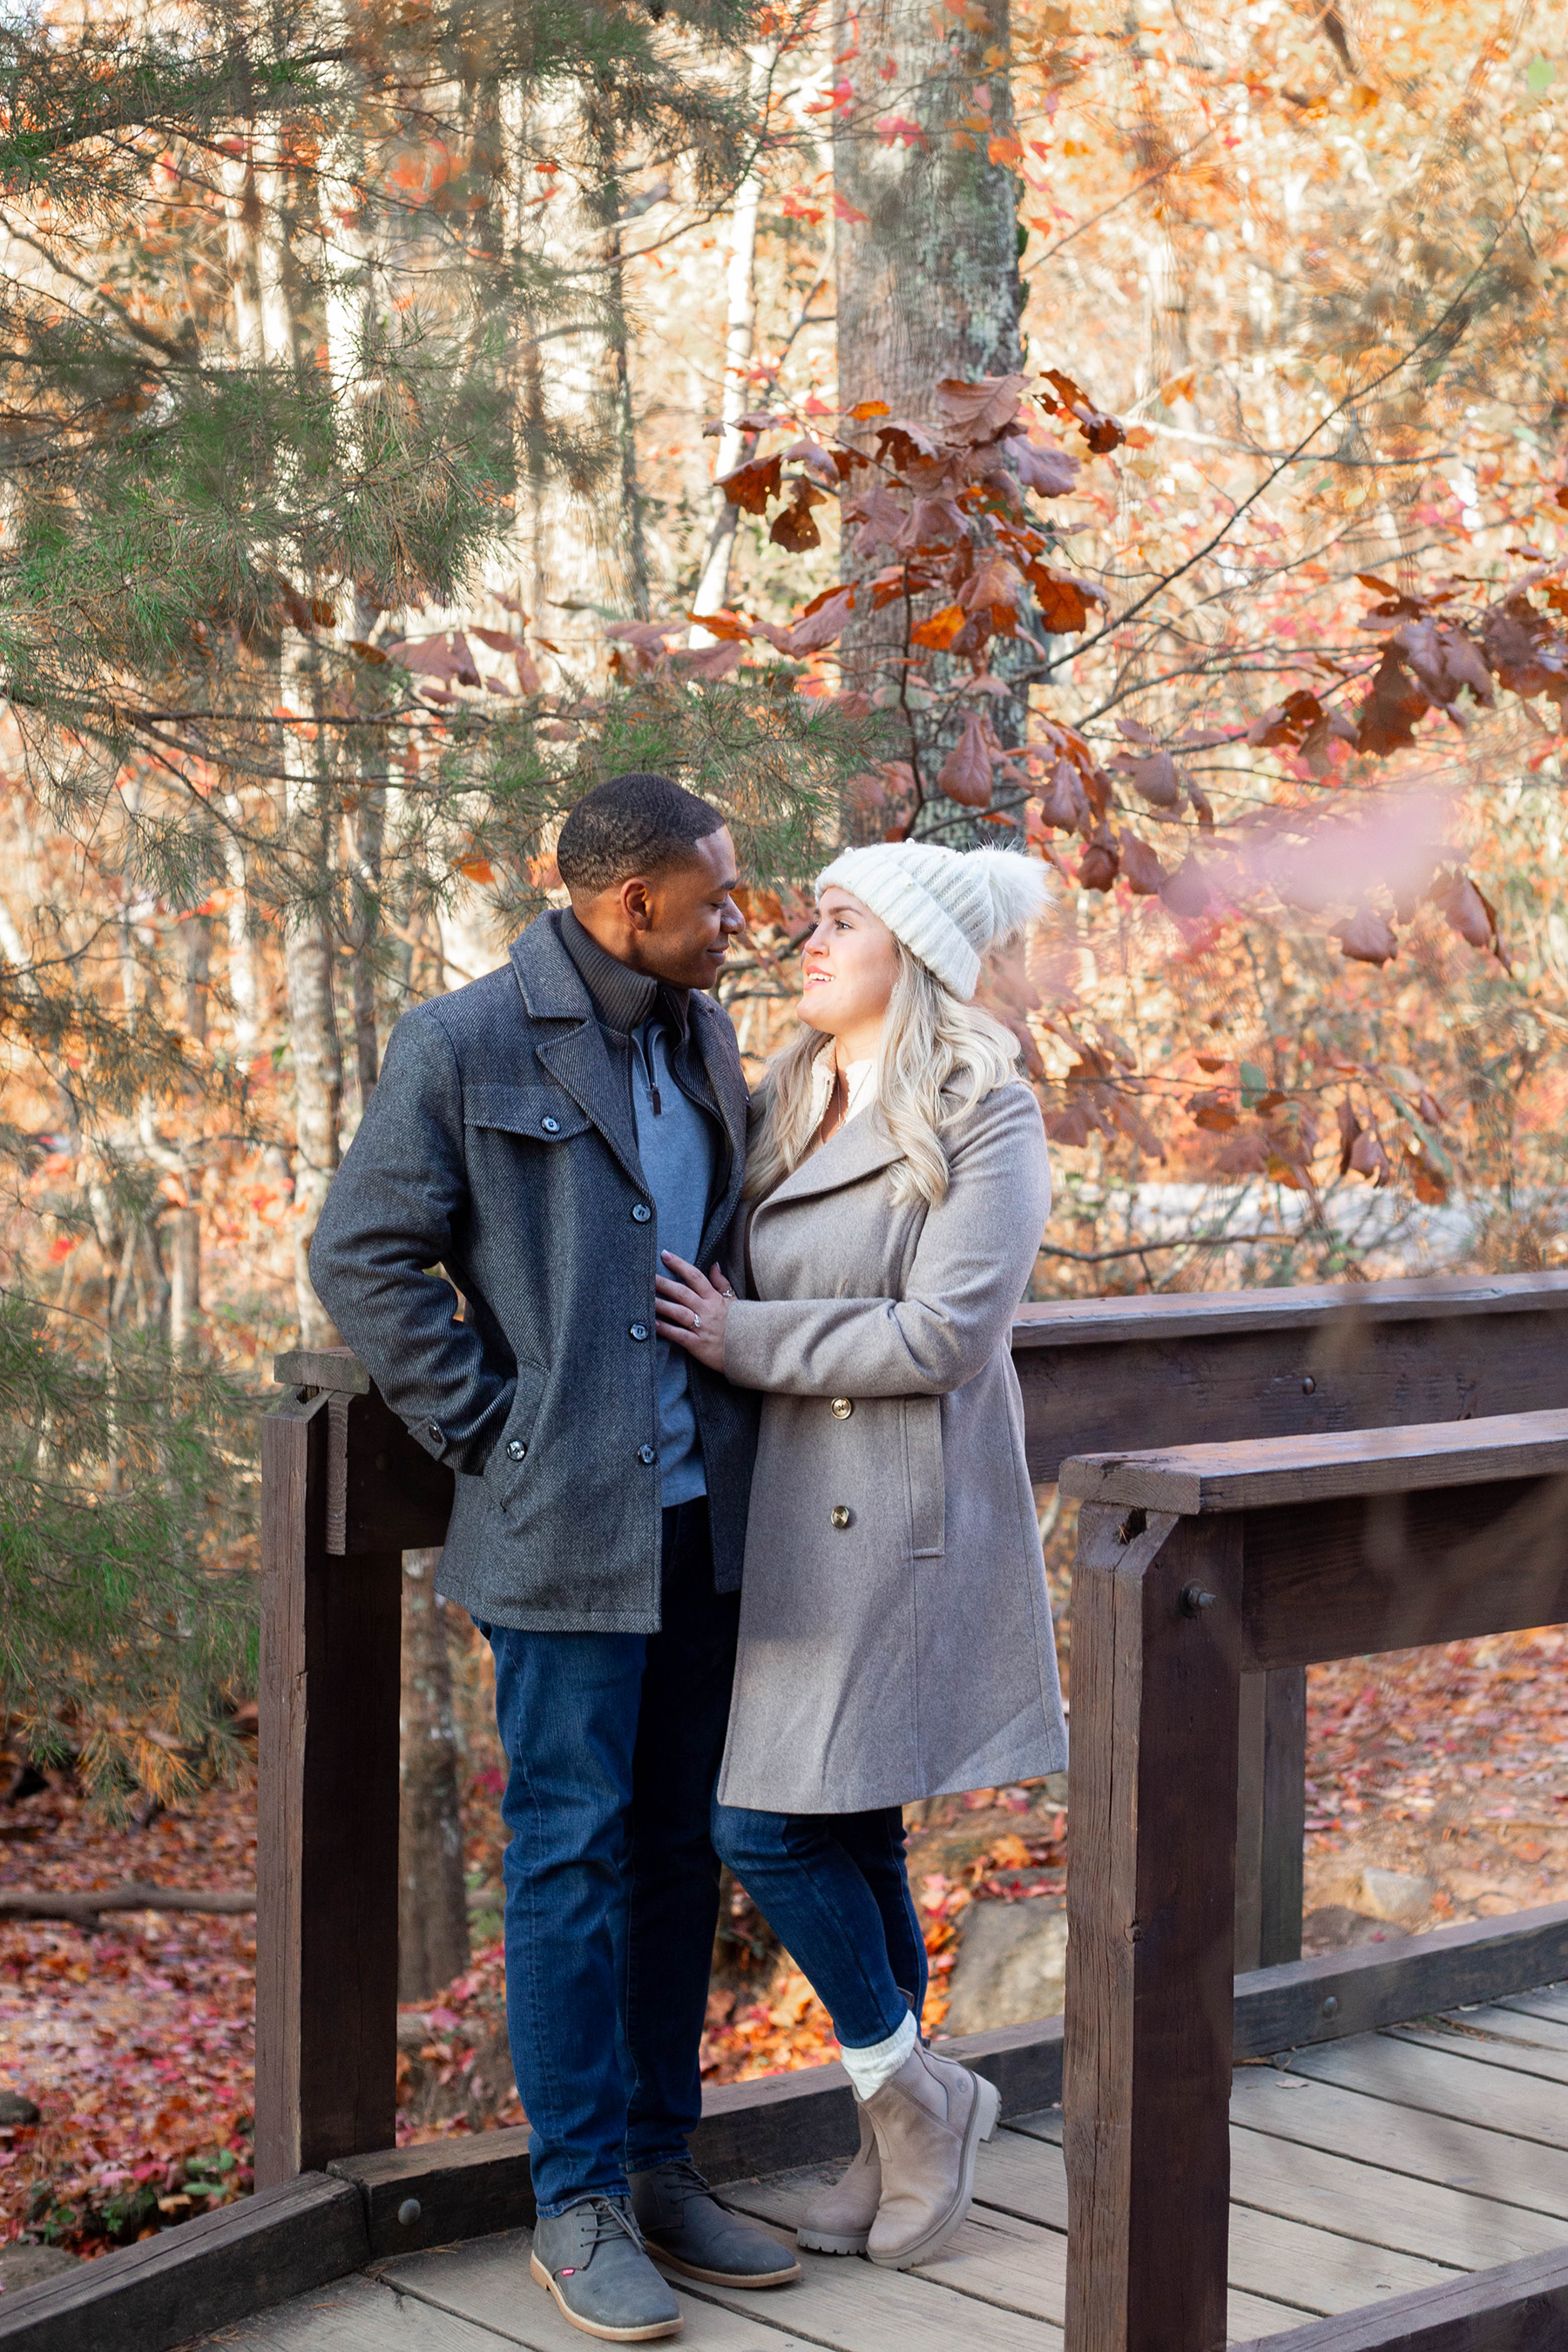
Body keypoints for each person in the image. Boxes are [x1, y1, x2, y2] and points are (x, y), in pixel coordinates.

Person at [309, 773, 800, 2344]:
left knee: (677, 1850)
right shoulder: (462, 1041)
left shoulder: (705, 1035)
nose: (739, 917)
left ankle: (662, 2167)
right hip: (560, 1536)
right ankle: (575, 2200)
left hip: (702, 1524)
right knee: (571, 1860)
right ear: (629, 904)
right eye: (715, 897)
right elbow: (363, 1252)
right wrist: (487, 1428)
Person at [654, 839, 1066, 2275]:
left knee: (759, 1824)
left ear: (912, 949)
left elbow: (947, 1335)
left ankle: (918, 2095)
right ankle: (902, 2121)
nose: (805, 945)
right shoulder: (790, 1097)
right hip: (787, 1512)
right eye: (810, 922)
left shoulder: (986, 1111)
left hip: (894, 1520)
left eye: (839, 924)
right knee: (847, 1825)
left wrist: (742, 1338)